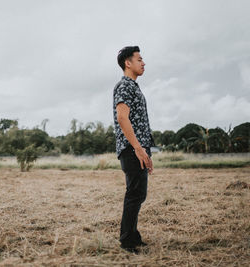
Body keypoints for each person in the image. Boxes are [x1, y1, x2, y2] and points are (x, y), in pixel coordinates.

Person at [113, 46, 155, 253]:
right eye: (139, 59)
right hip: (131, 148)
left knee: (138, 193)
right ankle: (128, 240)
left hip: (137, 147)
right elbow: (123, 118)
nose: (143, 62)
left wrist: (146, 150)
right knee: (135, 193)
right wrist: (138, 149)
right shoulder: (125, 86)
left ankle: (131, 235)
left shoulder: (134, 87)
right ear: (127, 63)